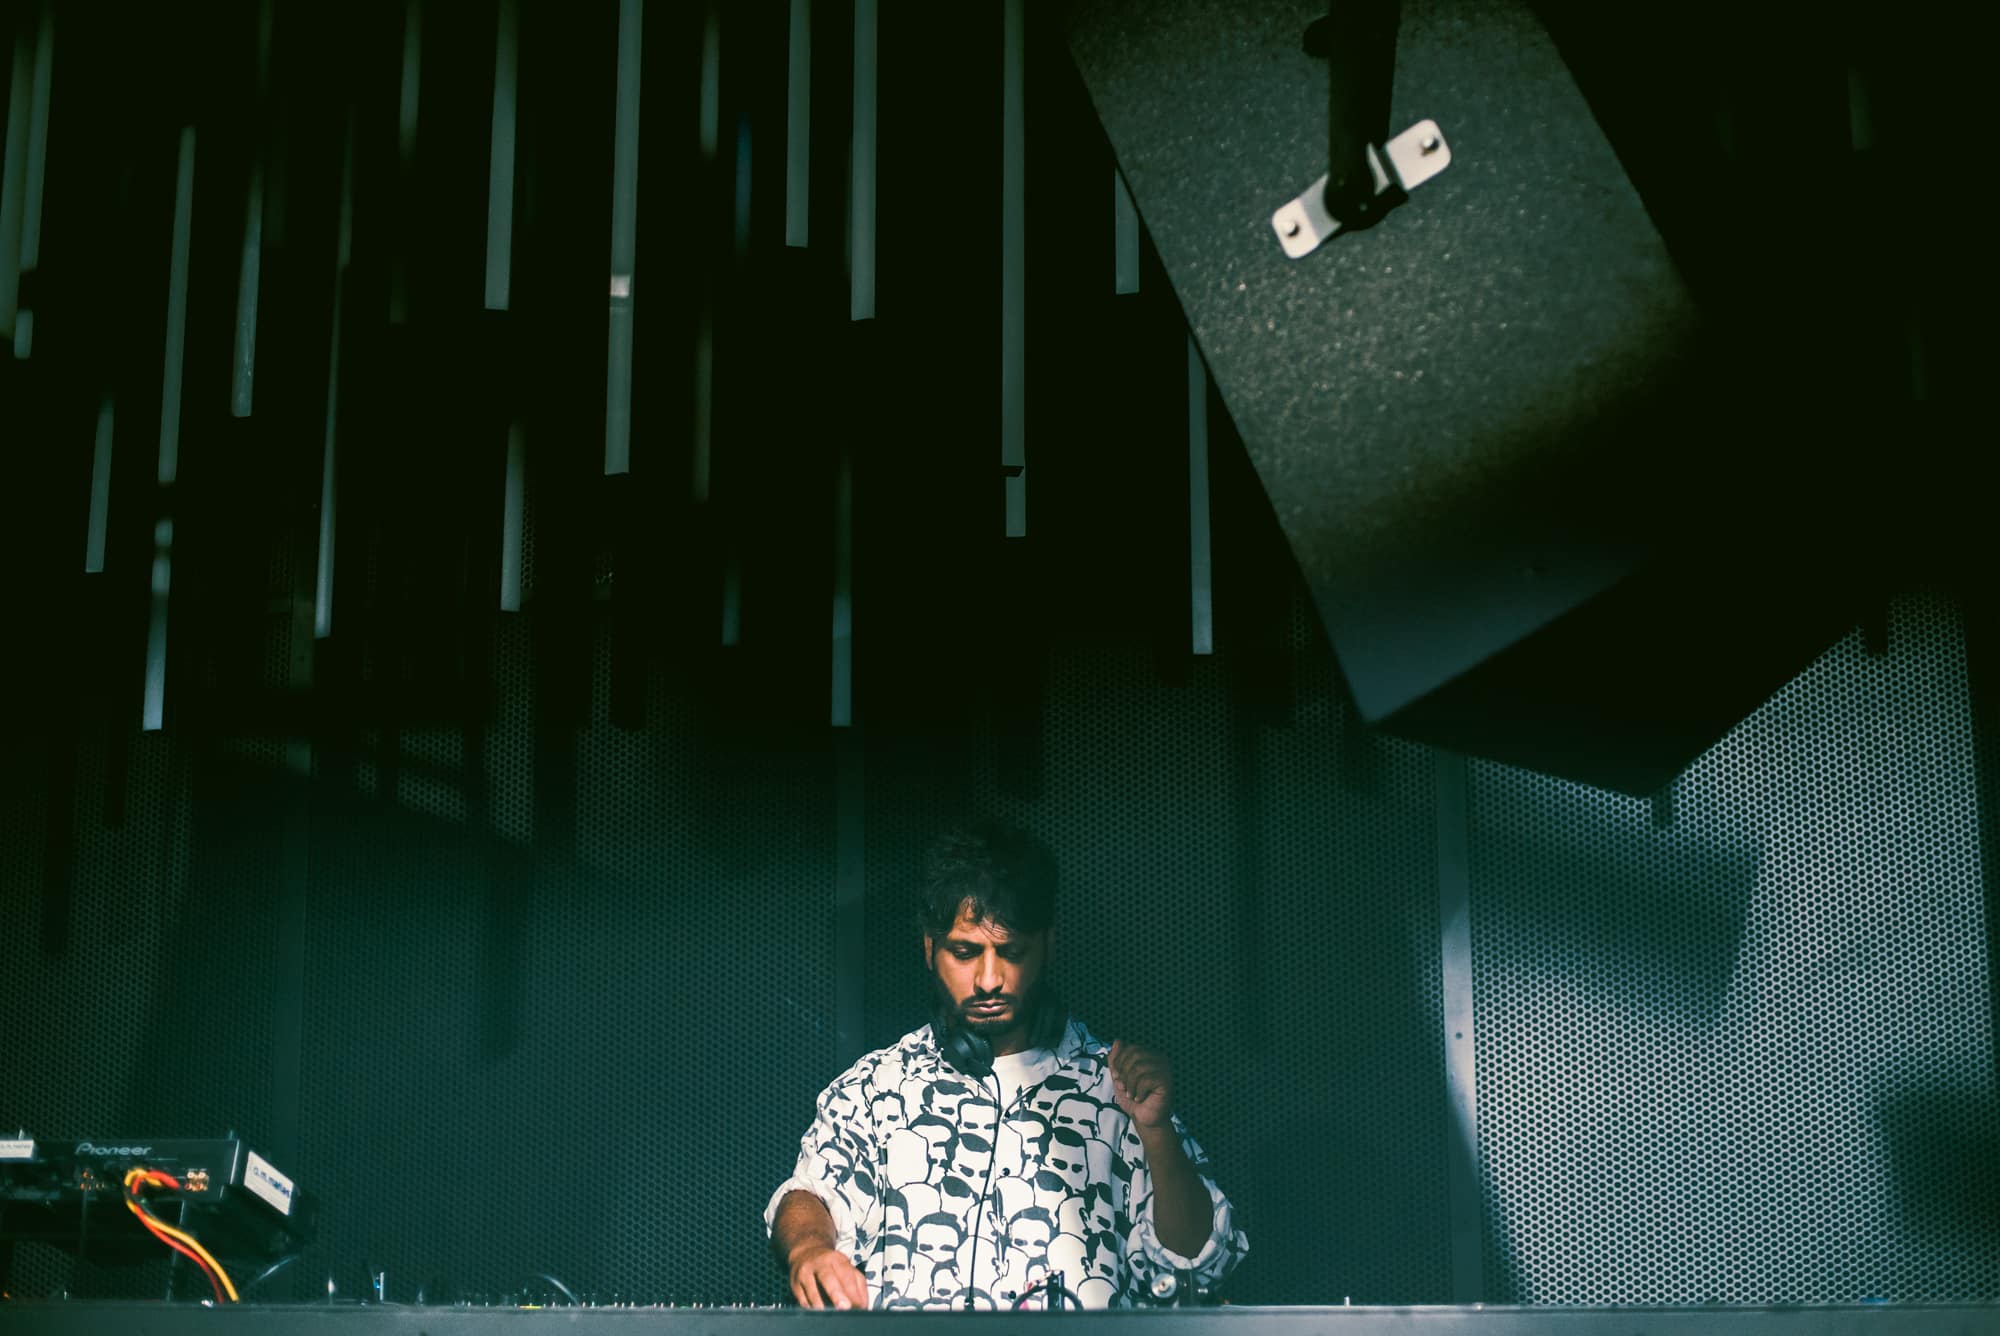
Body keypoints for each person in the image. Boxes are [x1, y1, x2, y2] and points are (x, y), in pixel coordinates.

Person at [765, 821, 1248, 1309]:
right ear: (930, 948)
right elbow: (811, 1194)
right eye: (965, 952)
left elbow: (1196, 1262)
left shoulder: (1117, 1087)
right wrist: (810, 1249)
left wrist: (1156, 1131)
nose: (989, 979)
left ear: (1048, 945)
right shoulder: (875, 1087)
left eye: (1012, 952)